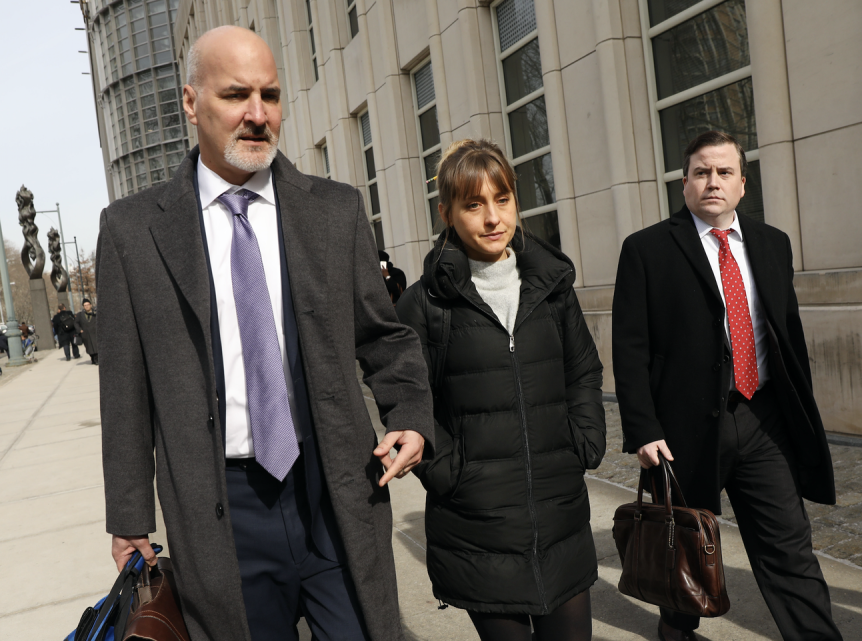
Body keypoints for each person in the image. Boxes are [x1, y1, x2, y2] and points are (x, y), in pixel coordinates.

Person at [96, 26, 433, 641]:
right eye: (236, 96)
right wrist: (129, 516)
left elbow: (383, 337)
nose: (258, 115)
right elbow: (124, 389)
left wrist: (408, 412)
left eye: (270, 95)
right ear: (191, 103)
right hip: (220, 513)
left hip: (333, 491)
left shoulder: (334, 210)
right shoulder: (132, 231)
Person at [612, 131, 841, 641]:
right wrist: (643, 429)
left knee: (790, 551)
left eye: (723, 173)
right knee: (684, 552)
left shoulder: (772, 244)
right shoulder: (647, 249)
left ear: (742, 184)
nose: (711, 182)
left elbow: (787, 335)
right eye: (700, 172)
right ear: (685, 183)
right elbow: (629, 349)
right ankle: (678, 634)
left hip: (762, 419)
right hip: (684, 432)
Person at [396, 139, 606, 641]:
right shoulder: (424, 304)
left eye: (503, 199)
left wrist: (582, 441)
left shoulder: (552, 286)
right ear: (447, 212)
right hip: (476, 529)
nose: (493, 218)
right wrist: (449, 471)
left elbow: (583, 371)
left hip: (559, 518)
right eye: (474, 204)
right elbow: (406, 398)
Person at [75, 298, 98, 365]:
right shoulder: (80, 315)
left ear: (90, 305)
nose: (87, 306)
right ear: (83, 306)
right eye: (85, 305)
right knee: (89, 348)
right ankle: (93, 358)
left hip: (95, 333)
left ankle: (96, 359)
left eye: (88, 305)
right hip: (86, 334)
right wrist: (79, 330)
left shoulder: (95, 313)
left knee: (96, 347)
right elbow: (76, 323)